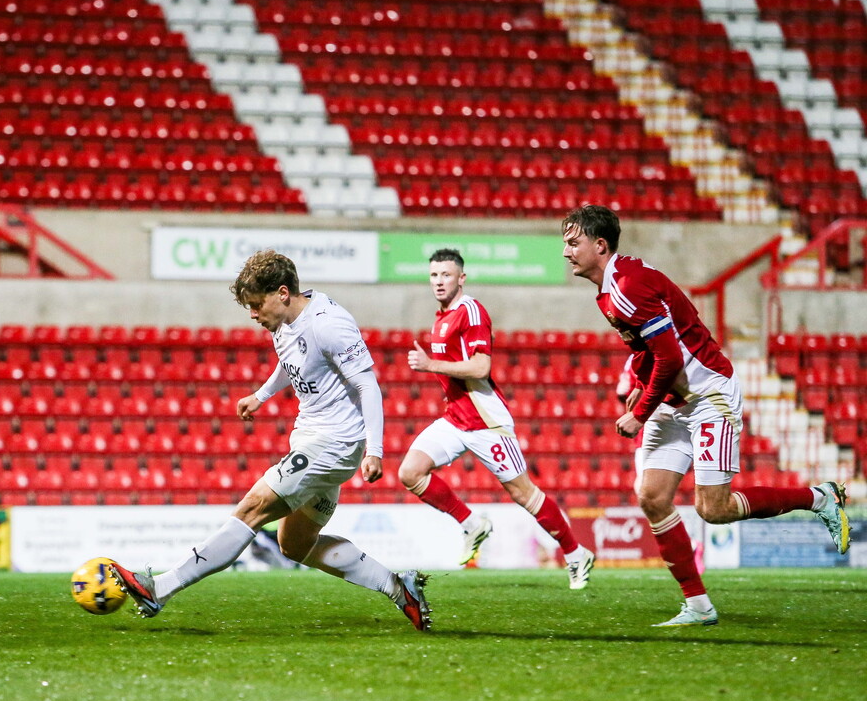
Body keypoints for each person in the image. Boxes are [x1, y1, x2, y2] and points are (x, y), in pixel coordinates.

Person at [109, 250, 431, 631]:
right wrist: (261, 395)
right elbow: (292, 360)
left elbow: (367, 385)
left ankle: (159, 589)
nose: (253, 314)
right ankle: (399, 589)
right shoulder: (284, 324)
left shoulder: (329, 324)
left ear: (282, 293)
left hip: (334, 443)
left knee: (253, 507)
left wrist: (374, 450)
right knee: (295, 543)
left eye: (256, 305)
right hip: (312, 439)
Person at [562, 204, 850, 626]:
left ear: (599, 245)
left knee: (714, 509)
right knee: (652, 497)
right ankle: (698, 605)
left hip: (709, 397)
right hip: (674, 401)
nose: (566, 251)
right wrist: (642, 384)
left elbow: (671, 358)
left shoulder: (626, 287)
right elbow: (648, 349)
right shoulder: (611, 287)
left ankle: (819, 497)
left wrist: (641, 411)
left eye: (573, 242)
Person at [397, 248, 595, 588]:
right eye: (434, 275)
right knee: (410, 472)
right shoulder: (441, 317)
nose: (439, 281)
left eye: (446, 275)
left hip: (487, 421)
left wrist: (430, 365)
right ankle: (472, 524)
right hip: (455, 418)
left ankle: (576, 554)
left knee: (524, 494)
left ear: (461, 278)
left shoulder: (471, 311)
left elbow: (481, 367)